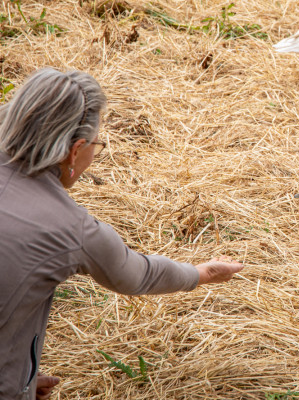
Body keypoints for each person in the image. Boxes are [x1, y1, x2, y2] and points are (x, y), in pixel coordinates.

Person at [0, 68, 243, 400]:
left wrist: (20, 373)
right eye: (96, 146)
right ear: (75, 150)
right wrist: (202, 273)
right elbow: (136, 274)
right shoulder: (72, 228)